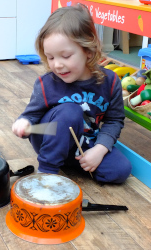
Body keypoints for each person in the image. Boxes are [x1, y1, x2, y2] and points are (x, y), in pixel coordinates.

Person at [12, 4, 132, 183]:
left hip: (84, 143)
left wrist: (99, 150)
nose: (57, 65)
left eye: (65, 56)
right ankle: (47, 171)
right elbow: (31, 115)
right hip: (49, 140)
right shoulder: (46, 84)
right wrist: (23, 123)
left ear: (88, 51)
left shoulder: (111, 81)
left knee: (120, 170)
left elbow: (114, 121)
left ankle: (75, 163)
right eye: (51, 57)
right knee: (70, 111)